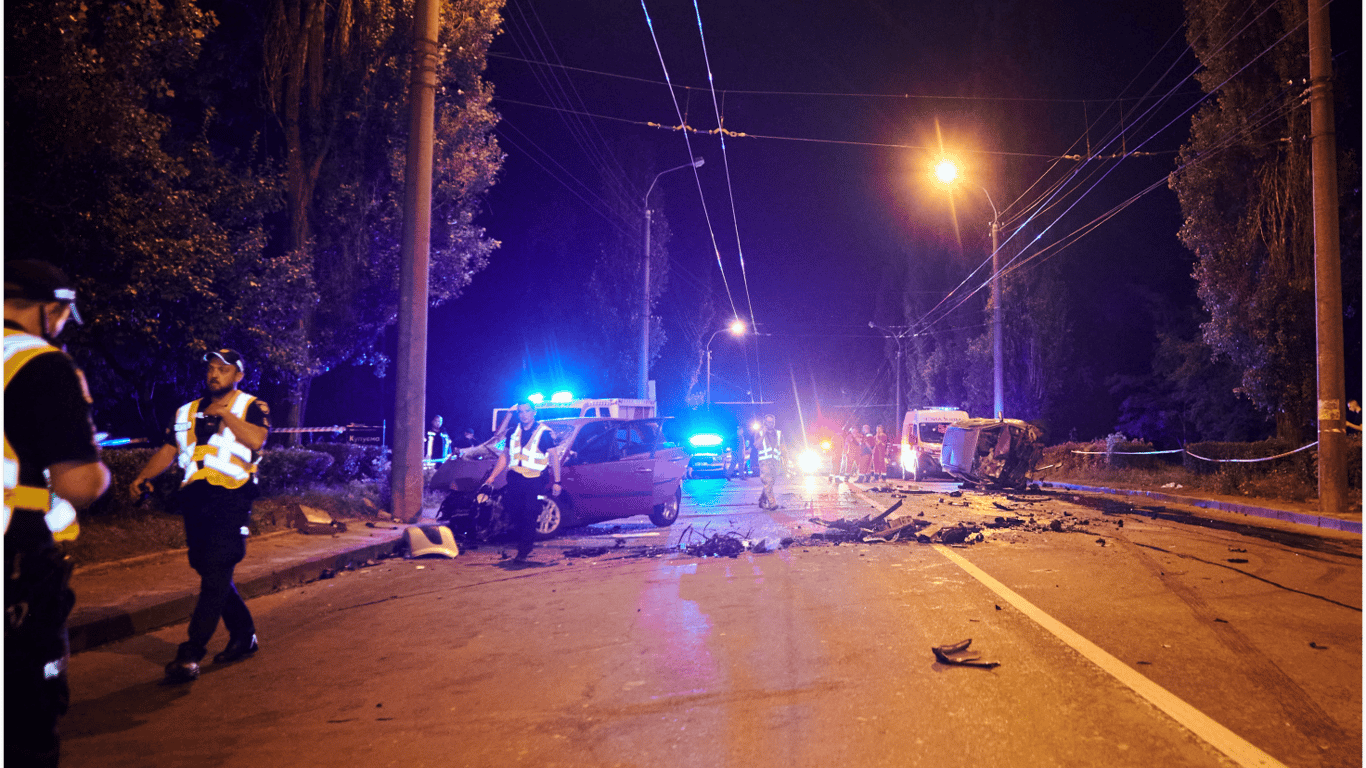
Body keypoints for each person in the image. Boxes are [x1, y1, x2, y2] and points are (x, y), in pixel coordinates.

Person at [4, 259, 111, 768]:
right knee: (28, 720)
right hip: (15, 573)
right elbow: (79, 484)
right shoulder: (43, 364)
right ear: (50, 310)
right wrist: (103, 474)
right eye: (65, 316)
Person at [130, 348, 270, 684]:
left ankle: (191, 652)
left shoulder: (251, 405)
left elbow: (256, 440)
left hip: (232, 495)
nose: (214, 374)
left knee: (218, 566)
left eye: (223, 369)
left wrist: (227, 416)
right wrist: (143, 477)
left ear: (237, 375)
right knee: (207, 568)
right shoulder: (186, 411)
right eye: (210, 368)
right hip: (195, 496)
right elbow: (170, 449)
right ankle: (244, 633)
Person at [476, 400, 561, 562]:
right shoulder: (512, 432)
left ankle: (524, 549)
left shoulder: (544, 432)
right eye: (520, 412)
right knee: (513, 510)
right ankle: (522, 541)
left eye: (527, 411)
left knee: (530, 512)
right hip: (515, 478)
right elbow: (504, 455)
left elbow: (554, 457)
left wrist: (558, 481)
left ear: (534, 412)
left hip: (535, 480)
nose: (524, 415)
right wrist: (492, 477)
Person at [755, 414, 783, 509]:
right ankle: (772, 503)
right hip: (764, 462)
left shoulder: (778, 433)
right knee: (767, 482)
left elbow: (782, 447)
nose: (771, 424)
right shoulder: (759, 433)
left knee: (770, 483)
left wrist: (785, 458)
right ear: (765, 423)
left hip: (775, 462)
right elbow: (757, 445)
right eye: (769, 422)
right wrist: (763, 434)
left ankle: (762, 500)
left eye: (772, 422)